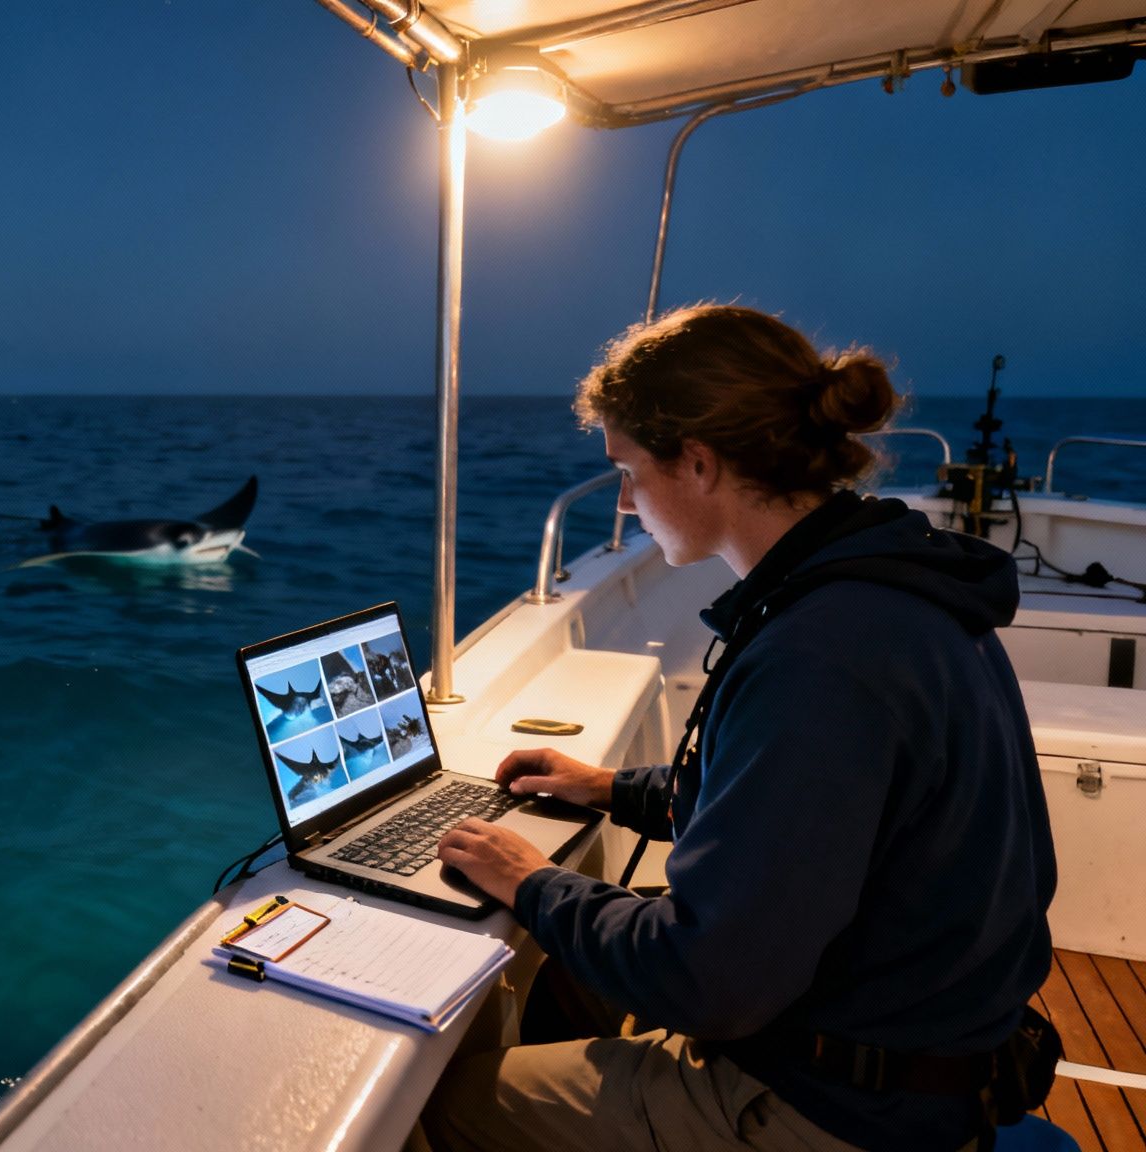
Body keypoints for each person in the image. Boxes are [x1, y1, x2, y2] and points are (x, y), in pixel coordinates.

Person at [421, 305, 1055, 1152]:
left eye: (629, 469)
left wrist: (532, 882)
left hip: (846, 1109)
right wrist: (607, 788)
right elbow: (802, 812)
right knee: (574, 977)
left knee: (445, 1100)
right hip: (920, 1042)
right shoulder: (894, 590)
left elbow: (708, 981)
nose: (625, 498)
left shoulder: (820, 656)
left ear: (697, 462)